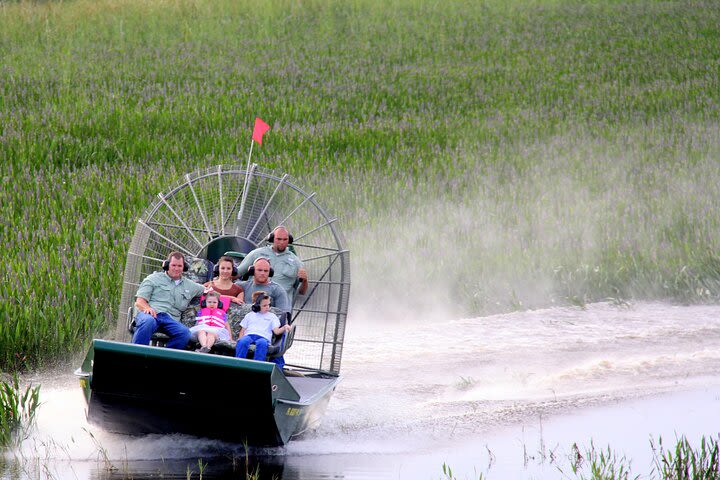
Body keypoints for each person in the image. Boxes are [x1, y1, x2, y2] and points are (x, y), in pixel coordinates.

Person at [133, 251, 206, 349]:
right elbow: (140, 301)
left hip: (171, 320)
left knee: (185, 333)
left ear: (184, 267)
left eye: (179, 266)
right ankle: (137, 356)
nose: (176, 268)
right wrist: (147, 308)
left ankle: (165, 360)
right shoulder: (153, 279)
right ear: (167, 265)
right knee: (148, 322)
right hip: (152, 314)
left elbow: (208, 289)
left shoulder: (190, 285)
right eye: (173, 265)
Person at [238, 226, 308, 306]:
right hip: (254, 303)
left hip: (279, 306)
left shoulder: (296, 262)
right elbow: (237, 273)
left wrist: (305, 281)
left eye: (285, 239)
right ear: (272, 239)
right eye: (279, 239)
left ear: (289, 240)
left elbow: (302, 292)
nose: (282, 242)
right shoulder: (256, 254)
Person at [235, 291, 292, 361]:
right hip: (249, 335)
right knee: (243, 341)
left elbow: (276, 331)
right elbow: (243, 330)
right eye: (264, 306)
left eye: (268, 305)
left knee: (262, 344)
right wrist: (240, 338)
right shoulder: (250, 315)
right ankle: (239, 362)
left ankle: (258, 364)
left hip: (263, 337)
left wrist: (285, 327)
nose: (267, 307)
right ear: (257, 306)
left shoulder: (272, 316)